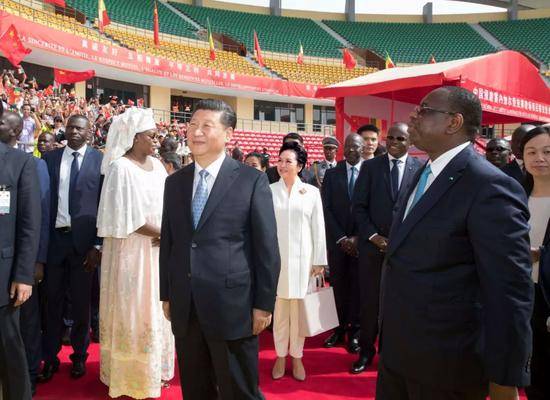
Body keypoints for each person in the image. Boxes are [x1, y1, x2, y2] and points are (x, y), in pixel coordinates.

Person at [376, 86, 533, 400]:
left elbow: (508, 288)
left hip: (446, 367)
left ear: (453, 122)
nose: (413, 116)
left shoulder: (489, 186)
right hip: (397, 356)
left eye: (424, 110)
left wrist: (505, 375)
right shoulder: (423, 173)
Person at [159, 99, 280, 400]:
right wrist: (167, 293)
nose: (196, 132)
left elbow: (266, 248)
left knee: (238, 390)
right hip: (186, 306)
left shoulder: (251, 180)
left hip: (233, 307)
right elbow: (170, 243)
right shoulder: (174, 183)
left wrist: (264, 304)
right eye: (192, 125)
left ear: (228, 134)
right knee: (196, 389)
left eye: (206, 126)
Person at [96, 108, 175, 398]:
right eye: (152, 136)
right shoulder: (121, 168)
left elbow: (168, 206)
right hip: (132, 252)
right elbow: (126, 218)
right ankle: (129, 377)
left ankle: (153, 371)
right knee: (133, 310)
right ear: (134, 137)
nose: (157, 140)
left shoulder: (156, 166)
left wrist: (167, 233)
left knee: (156, 308)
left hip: (156, 251)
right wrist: (164, 233)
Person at [351, 122, 422, 375]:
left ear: (410, 141)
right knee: (370, 303)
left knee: (400, 305)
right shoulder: (370, 167)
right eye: (390, 137)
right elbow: (359, 207)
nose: (393, 141)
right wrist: (373, 236)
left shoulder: (421, 169)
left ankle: (392, 356)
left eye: (400, 138)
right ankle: (366, 351)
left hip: (405, 252)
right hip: (372, 249)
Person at [39, 114, 103, 382]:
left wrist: (98, 244)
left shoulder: (101, 162)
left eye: (80, 128)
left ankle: (79, 356)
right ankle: (50, 358)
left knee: (81, 305)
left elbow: (104, 204)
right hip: (56, 242)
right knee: (51, 303)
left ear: (89, 132)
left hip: (85, 246)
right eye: (70, 127)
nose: (74, 131)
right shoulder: (50, 159)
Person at [0, 111, 51, 396]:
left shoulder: (21, 163)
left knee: (10, 353)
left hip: (5, 279)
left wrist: (24, 275)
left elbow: (30, 224)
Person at [270, 141, 327, 382]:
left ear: (300, 166)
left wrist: (319, 261)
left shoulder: (311, 193)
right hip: (277, 262)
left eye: (288, 161)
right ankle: (280, 356)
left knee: (299, 312)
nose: (282, 165)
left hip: (304, 263)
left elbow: (319, 228)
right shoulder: (269, 190)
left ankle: (297, 356)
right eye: (280, 160)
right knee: (280, 311)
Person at [321, 134, 363, 355]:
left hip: (362, 243)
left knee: (357, 289)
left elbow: (373, 208)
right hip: (338, 243)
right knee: (337, 287)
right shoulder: (331, 174)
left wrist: (358, 237)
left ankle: (355, 332)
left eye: (354, 146)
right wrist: (341, 238)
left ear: (363, 147)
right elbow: (325, 208)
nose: (350, 150)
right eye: (346, 146)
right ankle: (338, 329)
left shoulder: (371, 172)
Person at [521, 126, 550, 400]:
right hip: (521, 293)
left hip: (548, 296)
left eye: (547, 151)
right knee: (532, 368)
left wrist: (542, 253)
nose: (539, 158)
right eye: (531, 151)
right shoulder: (514, 197)